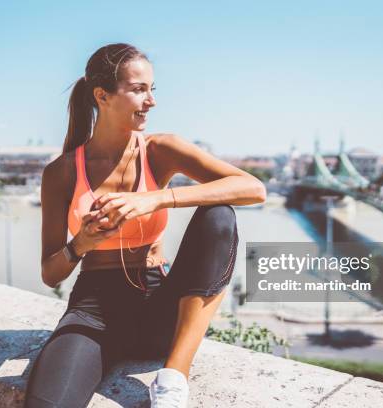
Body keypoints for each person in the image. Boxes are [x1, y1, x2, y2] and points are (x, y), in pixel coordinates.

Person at [23, 43, 266, 408]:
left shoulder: (159, 149)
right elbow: (49, 273)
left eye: (153, 89)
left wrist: (154, 198)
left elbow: (252, 188)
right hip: (93, 313)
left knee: (219, 216)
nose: (151, 100)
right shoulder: (61, 172)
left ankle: (173, 377)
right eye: (139, 89)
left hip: (159, 308)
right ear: (102, 95)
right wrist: (82, 242)